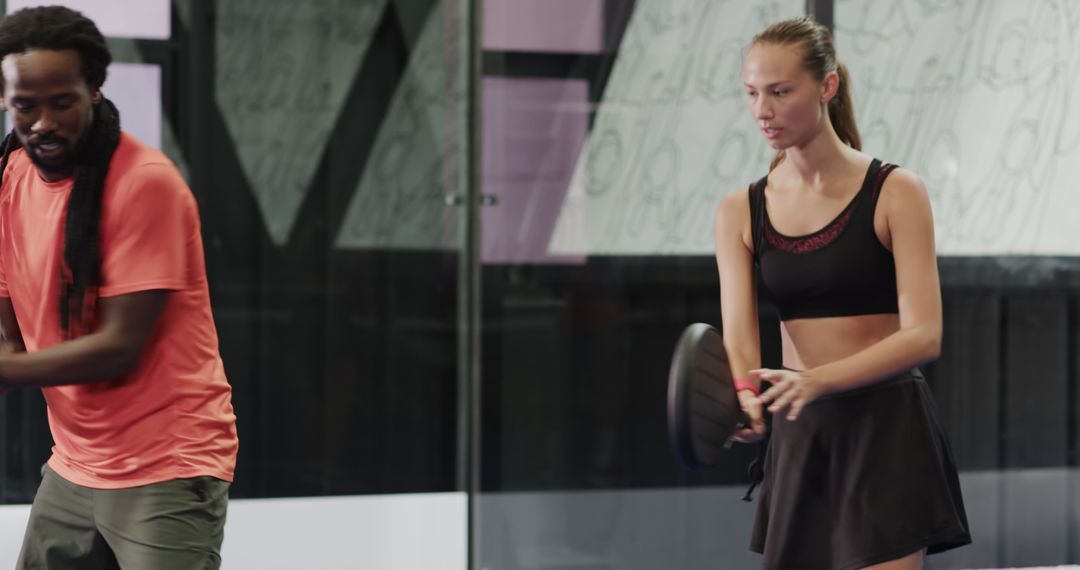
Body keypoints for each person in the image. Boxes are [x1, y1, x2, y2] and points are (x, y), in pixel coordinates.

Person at [714, 16, 970, 569]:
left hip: (887, 432)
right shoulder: (740, 209)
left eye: (781, 92)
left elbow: (924, 335)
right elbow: (739, 335)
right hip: (800, 436)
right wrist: (744, 396)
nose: (763, 110)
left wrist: (816, 381)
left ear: (826, 86)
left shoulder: (896, 191)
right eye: (753, 93)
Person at [0, 6, 238, 568]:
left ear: (95, 91)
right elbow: (8, 312)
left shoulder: (143, 184)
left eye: (62, 103)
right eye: (25, 106)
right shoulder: (11, 174)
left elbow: (117, 348)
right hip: (74, 462)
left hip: (168, 463)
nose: (42, 123)